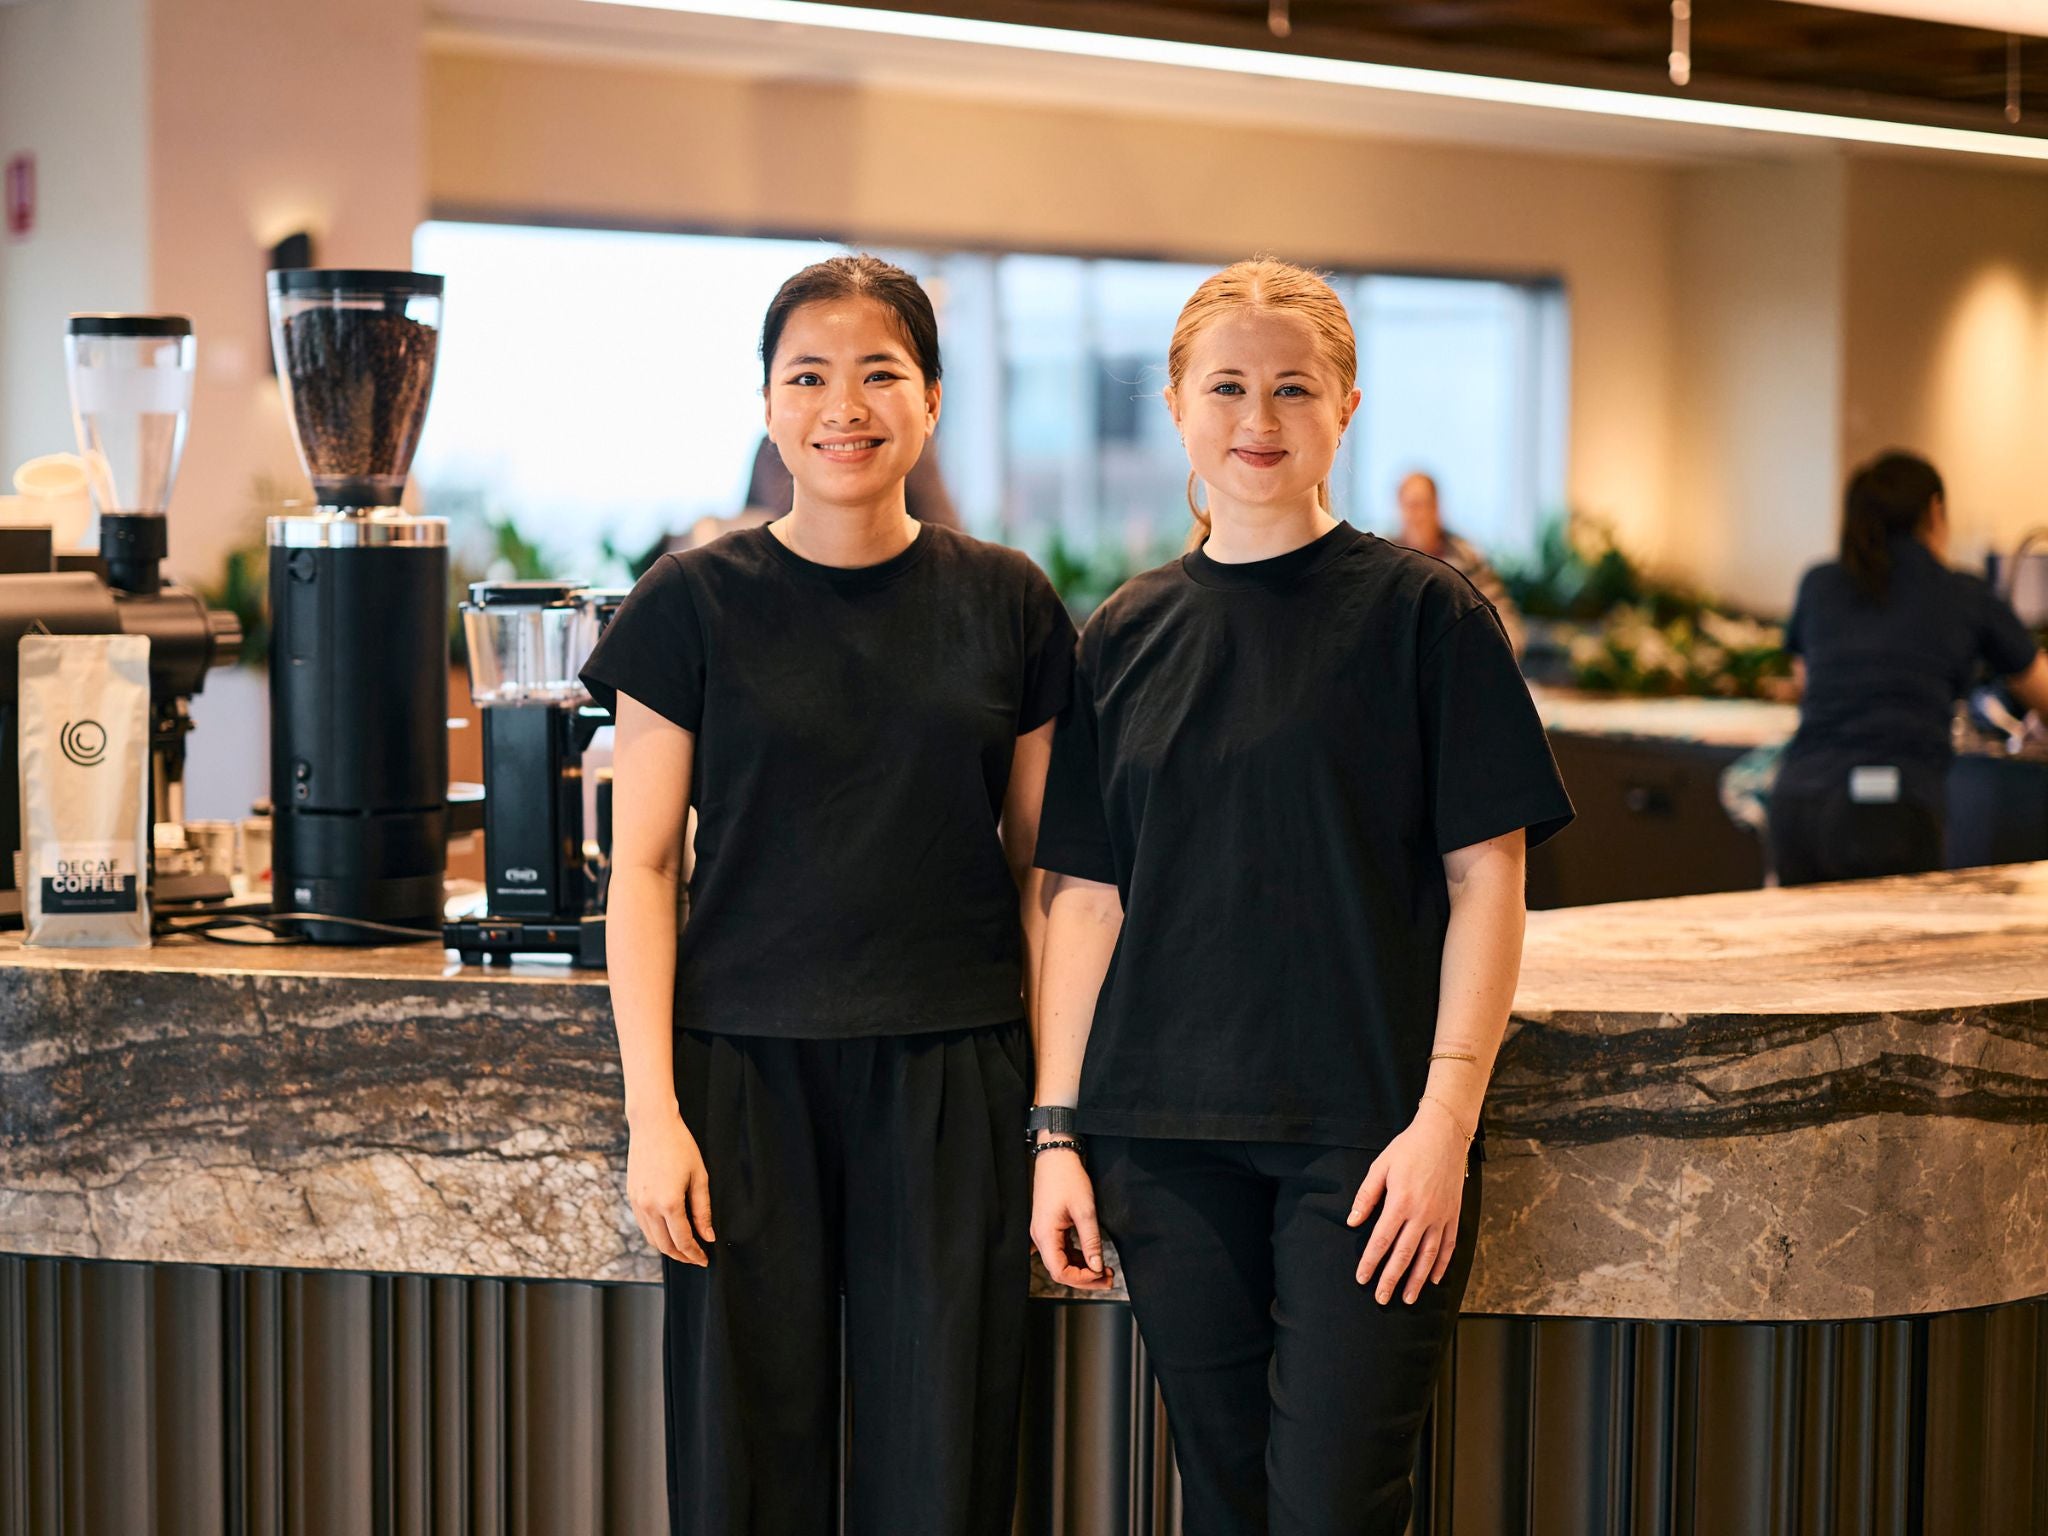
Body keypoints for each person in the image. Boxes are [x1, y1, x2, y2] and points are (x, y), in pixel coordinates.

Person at [1027, 259, 1573, 1536]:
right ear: (1175, 405)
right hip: (1159, 1139)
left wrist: (1444, 1122)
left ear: (1346, 407)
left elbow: (1488, 878)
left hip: (1369, 1139)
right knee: (1220, 1503)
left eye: (1291, 387)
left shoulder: (1424, 616)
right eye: (1225, 386)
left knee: (1334, 1505)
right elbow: (1085, 901)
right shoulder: (1121, 632)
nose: (1256, 418)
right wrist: (1056, 1134)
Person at [581, 254, 1075, 1534]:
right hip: (741, 1077)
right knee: (746, 1473)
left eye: (878, 374)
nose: (840, 405)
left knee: (946, 1467)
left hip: (954, 1073)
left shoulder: (1007, 600)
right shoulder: (690, 601)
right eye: (807, 374)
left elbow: (1045, 877)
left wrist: (1053, 1116)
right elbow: (639, 868)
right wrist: (651, 1115)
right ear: (765, 404)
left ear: (930, 401)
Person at [1771, 450, 2048, 886]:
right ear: (1935, 511)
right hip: (1890, 810)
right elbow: (2041, 691)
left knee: (1808, 951)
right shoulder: (1962, 594)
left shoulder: (1819, 582)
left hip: (1799, 802)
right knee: (1889, 951)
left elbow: (1808, 681)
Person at [1394, 470, 1526, 656]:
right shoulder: (1387, 561)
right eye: (1409, 506)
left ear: (1436, 507)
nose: (1416, 516)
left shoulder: (1466, 557)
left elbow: (1503, 617)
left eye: (1422, 505)